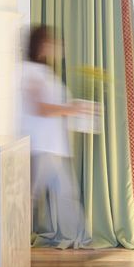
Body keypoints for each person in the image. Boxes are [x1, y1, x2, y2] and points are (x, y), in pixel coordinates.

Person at [20, 24, 90, 249]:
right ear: (41, 45)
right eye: (51, 42)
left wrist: (73, 108)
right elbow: (39, 107)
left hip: (51, 147)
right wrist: (71, 109)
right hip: (40, 147)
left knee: (63, 194)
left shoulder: (43, 72)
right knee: (29, 198)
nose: (55, 47)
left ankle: (79, 241)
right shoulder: (30, 72)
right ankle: (15, 245)